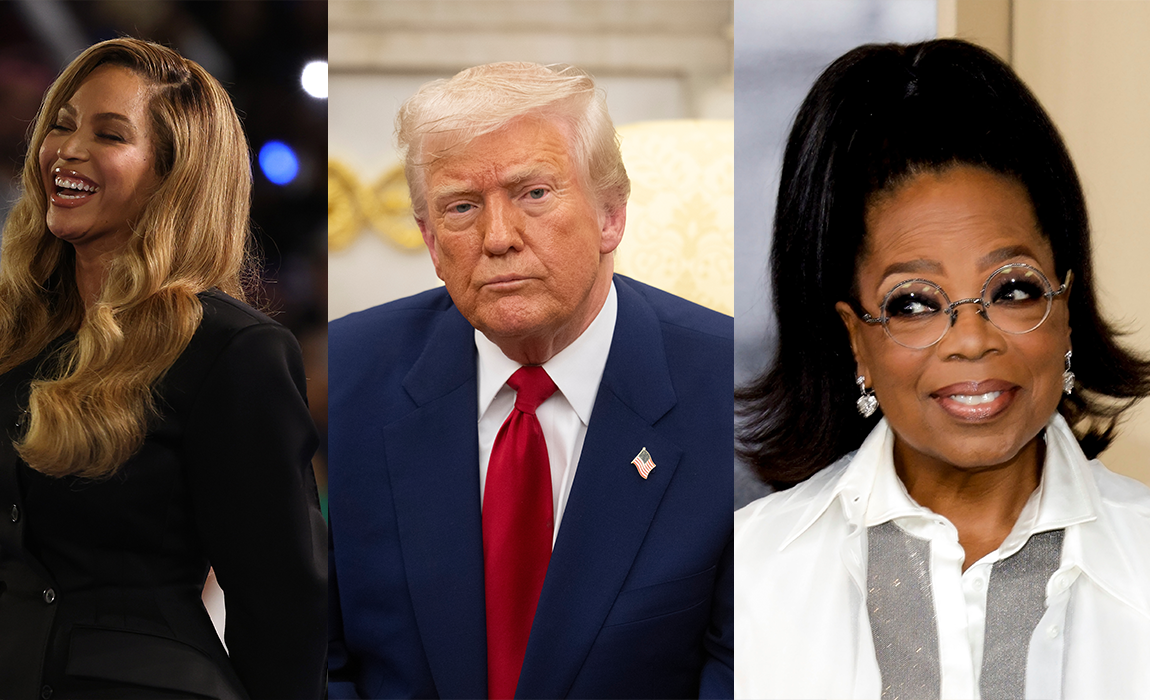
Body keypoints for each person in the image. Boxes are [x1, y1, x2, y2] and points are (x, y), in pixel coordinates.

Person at [0, 38, 326, 699]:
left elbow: (282, 604)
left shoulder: (229, 348)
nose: (68, 149)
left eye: (109, 134)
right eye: (62, 124)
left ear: (172, 173)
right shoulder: (6, 339)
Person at [733, 39, 1150, 699]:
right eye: (912, 304)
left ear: (1065, 302)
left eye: (1012, 289)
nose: (971, 340)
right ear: (854, 338)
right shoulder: (747, 574)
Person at [327, 62, 736, 698]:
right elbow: (316, 659)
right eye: (461, 207)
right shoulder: (347, 374)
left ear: (611, 215)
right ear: (432, 243)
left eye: (534, 194)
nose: (497, 238)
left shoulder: (729, 387)